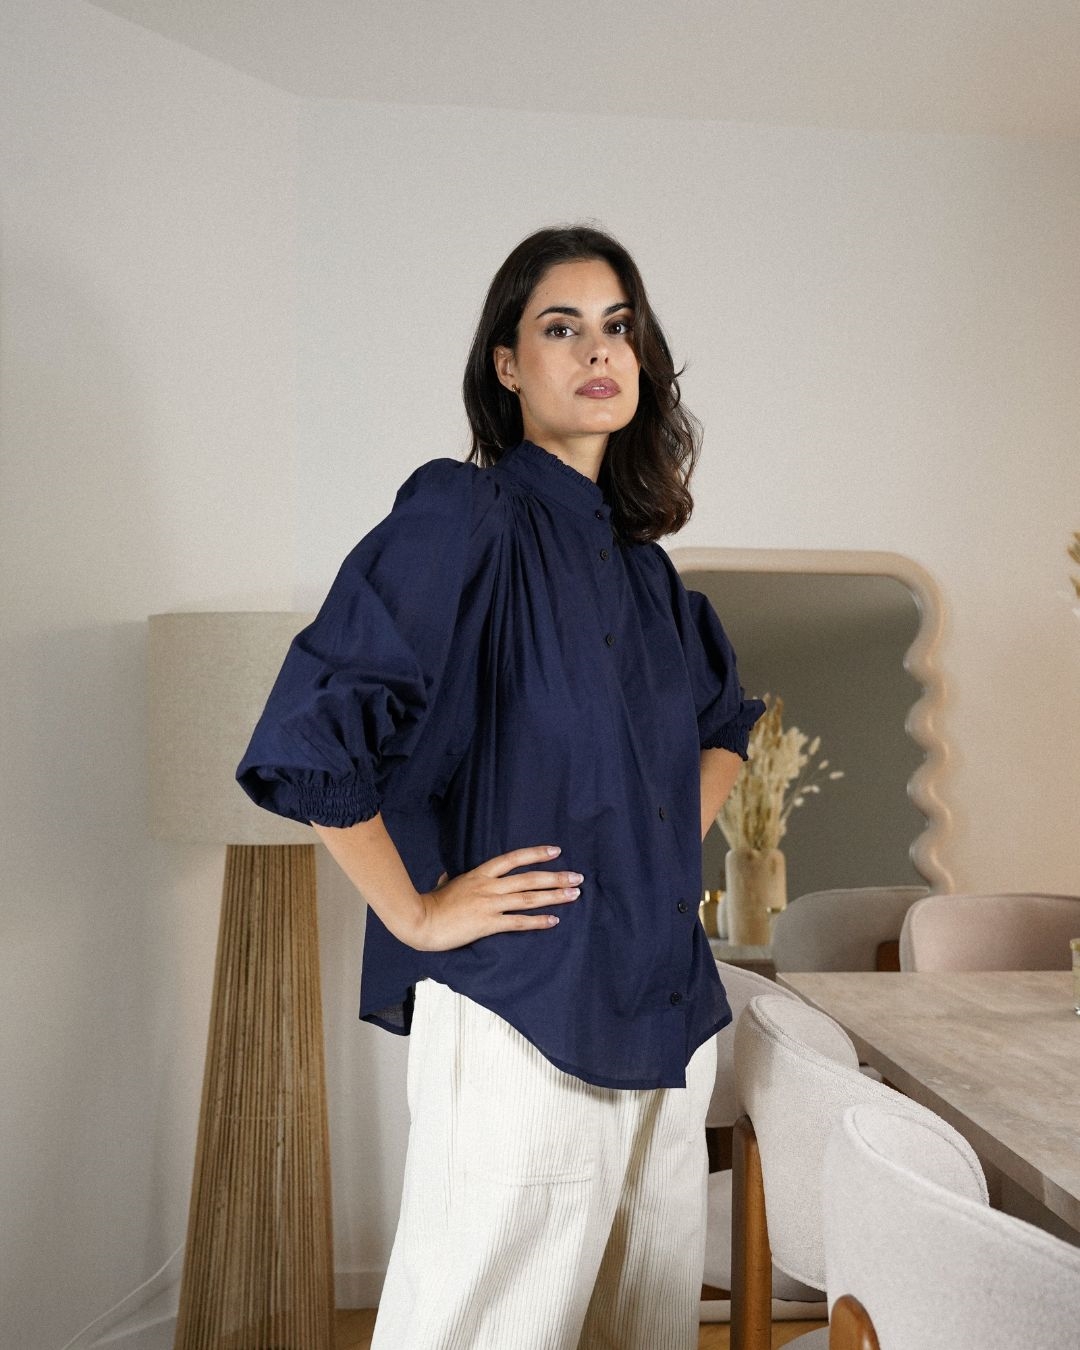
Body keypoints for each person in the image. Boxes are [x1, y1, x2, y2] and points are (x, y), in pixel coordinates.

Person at [237, 224, 764, 1350]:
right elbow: (317, 726)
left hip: (666, 1012)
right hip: (526, 1008)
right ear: (508, 365)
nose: (598, 350)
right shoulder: (465, 517)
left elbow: (723, 726)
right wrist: (417, 912)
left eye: (618, 326)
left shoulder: (648, 574)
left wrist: (653, 853)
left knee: (643, 1330)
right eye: (561, 327)